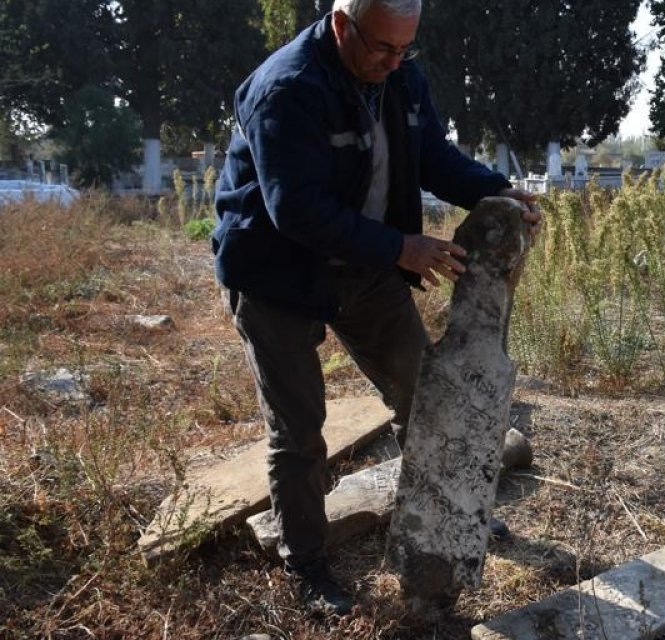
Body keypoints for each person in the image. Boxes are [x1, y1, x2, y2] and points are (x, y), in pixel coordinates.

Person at [212, 0, 540, 616]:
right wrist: (404, 248)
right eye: (383, 49)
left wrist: (495, 191)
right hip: (275, 275)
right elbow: (297, 210)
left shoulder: (401, 77)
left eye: (405, 50)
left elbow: (434, 159)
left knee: (424, 393)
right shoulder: (286, 88)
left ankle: (444, 519)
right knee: (301, 431)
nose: (394, 63)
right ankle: (308, 566)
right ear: (341, 25)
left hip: (364, 271)